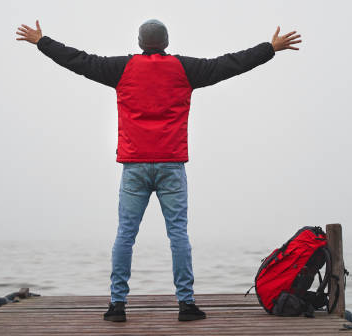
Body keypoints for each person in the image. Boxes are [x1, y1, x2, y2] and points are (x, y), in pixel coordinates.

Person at [16, 19, 302, 322]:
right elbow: (229, 64)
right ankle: (186, 305)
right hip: (171, 165)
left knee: (125, 235)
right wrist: (270, 48)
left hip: (134, 166)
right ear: (166, 43)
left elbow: (79, 61)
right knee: (178, 234)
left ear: (140, 42)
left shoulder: (120, 69)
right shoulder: (185, 69)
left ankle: (117, 306)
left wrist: (42, 41)